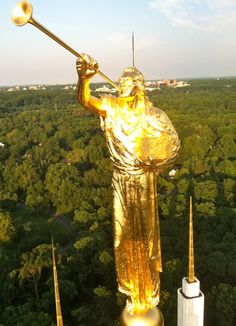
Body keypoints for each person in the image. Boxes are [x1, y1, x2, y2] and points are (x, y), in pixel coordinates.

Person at [76, 54, 180, 314]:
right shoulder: (113, 108)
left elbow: (172, 145)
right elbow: (87, 101)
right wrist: (83, 78)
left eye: (127, 84)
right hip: (121, 181)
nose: (121, 87)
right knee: (124, 238)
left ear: (139, 87)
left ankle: (149, 291)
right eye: (120, 83)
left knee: (145, 239)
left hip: (143, 181)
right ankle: (133, 289)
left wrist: (151, 159)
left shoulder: (153, 116)